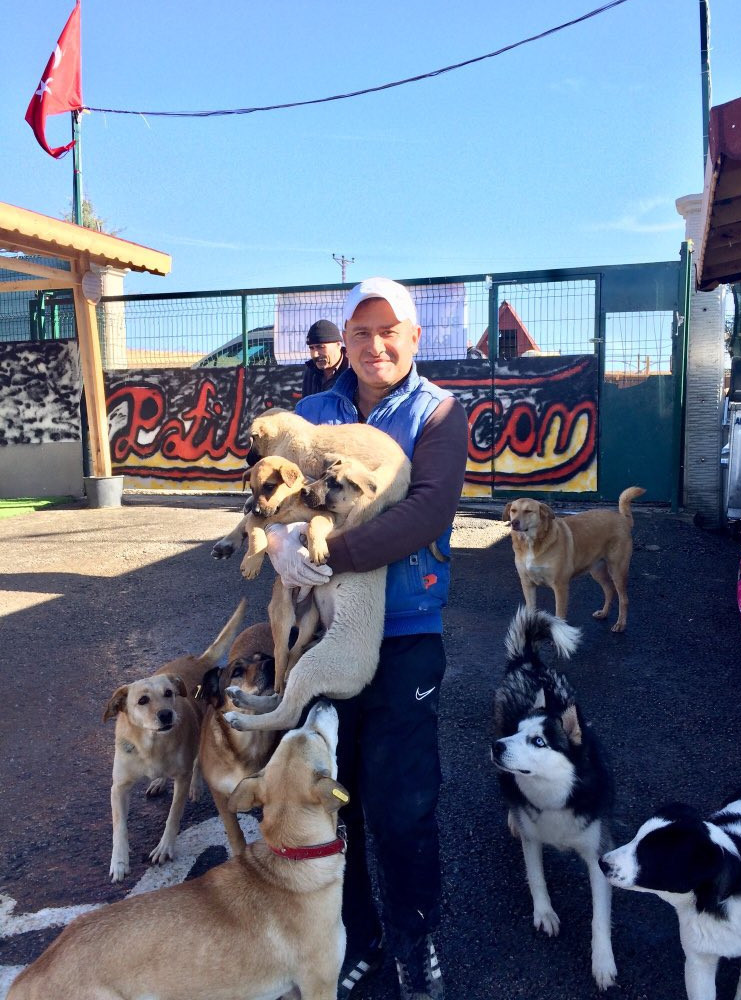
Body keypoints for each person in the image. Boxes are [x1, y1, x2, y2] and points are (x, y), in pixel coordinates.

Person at [265, 277, 468, 1000]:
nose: (374, 345)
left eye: (389, 331)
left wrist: (326, 554)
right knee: (327, 800)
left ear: (415, 338)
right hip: (322, 635)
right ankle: (358, 934)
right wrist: (275, 537)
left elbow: (428, 511)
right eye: (360, 332)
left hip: (405, 633)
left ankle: (415, 937)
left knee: (402, 803)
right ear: (343, 342)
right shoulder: (311, 414)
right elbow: (269, 489)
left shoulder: (438, 413)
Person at [302, 319, 349, 397]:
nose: (315, 354)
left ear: (338, 345)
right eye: (311, 348)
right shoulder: (311, 371)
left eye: (320, 347)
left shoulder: (354, 370)